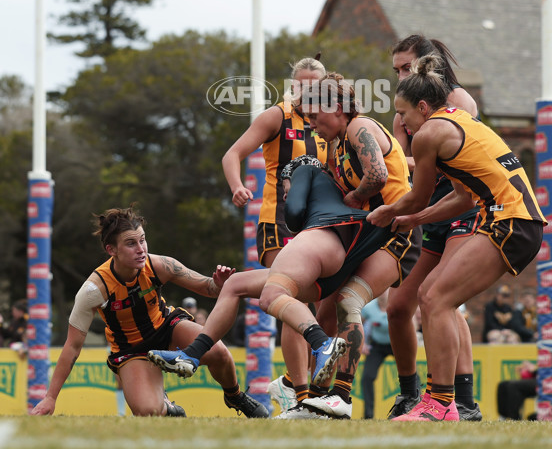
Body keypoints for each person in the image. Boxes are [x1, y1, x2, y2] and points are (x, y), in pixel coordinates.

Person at [147, 153, 397, 420]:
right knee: (235, 284)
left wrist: (294, 200)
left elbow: (294, 212)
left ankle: (322, 344)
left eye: (285, 189)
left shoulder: (304, 170)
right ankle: (191, 355)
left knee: (271, 297)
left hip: (321, 239)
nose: (285, 195)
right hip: (332, 265)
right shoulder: (332, 194)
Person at [368, 54, 546, 422]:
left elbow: (418, 194)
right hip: (515, 219)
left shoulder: (429, 133)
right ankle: (445, 403)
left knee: (435, 299)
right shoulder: (459, 120)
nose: (400, 122)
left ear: (422, 107)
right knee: (432, 298)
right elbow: (462, 197)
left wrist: (390, 212)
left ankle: (440, 404)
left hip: (508, 220)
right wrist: (414, 218)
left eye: (402, 114)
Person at [30, 205, 268, 419]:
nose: (141, 249)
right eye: (131, 243)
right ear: (111, 249)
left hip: (167, 327)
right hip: (131, 349)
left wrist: (219, 282)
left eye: (143, 240)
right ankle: (168, 407)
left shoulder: (160, 265)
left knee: (219, 353)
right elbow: (72, 346)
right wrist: (51, 397)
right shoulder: (94, 289)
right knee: (148, 412)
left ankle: (235, 396)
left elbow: (208, 287)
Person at [298, 74, 421, 419]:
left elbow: (378, 175)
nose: (311, 125)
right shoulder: (336, 145)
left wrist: (353, 197)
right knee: (322, 312)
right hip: (367, 236)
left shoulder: (358, 127)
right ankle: (312, 399)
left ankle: (342, 397)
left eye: (313, 116)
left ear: (337, 109)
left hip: (397, 233)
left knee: (347, 299)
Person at [222, 55, 328, 410]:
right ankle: (301, 395)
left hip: (318, 225)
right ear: (292, 85)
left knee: (322, 306)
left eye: (316, 84)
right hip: (278, 222)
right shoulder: (278, 116)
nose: (308, 90)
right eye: (302, 84)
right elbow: (233, 154)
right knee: (291, 298)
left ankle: (296, 386)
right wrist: (237, 186)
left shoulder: (331, 122)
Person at [385, 34, 482, 421]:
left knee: (440, 299)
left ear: (428, 64)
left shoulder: (457, 103)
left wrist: (382, 155)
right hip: (431, 215)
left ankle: (461, 402)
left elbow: (453, 158)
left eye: (406, 68)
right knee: (398, 307)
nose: (400, 77)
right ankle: (409, 395)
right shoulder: (403, 113)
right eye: (395, 71)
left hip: (463, 207)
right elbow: (400, 169)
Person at [360, 289, 394, 419]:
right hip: (377, 345)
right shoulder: (369, 308)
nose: (382, 293)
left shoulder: (397, 303)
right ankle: (368, 415)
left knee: (412, 375)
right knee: (367, 378)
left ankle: (415, 407)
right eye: (381, 289)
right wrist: (362, 344)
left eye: (385, 290)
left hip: (397, 344)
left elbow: (411, 323)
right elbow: (358, 323)